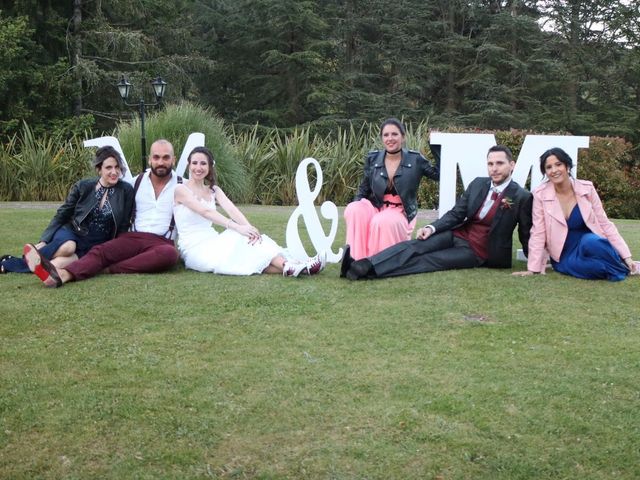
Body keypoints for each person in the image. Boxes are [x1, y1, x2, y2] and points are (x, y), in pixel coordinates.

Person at [341, 145, 532, 280]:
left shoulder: (521, 196)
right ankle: (364, 263)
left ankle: (370, 272)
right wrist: (432, 227)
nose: (494, 169)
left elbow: (526, 234)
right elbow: (457, 213)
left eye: (500, 163)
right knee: (415, 246)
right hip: (457, 234)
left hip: (478, 252)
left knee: (429, 260)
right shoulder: (478, 184)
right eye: (491, 164)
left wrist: (535, 263)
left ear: (512, 165)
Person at [25, 139, 182, 287]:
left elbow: (201, 200)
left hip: (162, 241)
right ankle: (64, 275)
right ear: (149, 160)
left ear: (173, 160)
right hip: (133, 237)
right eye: (156, 157)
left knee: (170, 255)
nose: (161, 162)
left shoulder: (183, 185)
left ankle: (108, 269)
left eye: (166, 157)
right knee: (101, 251)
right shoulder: (136, 182)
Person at [173, 147, 326, 276]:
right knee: (238, 239)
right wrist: (238, 228)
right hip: (195, 249)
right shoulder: (181, 190)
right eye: (194, 163)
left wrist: (249, 228)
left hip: (212, 239)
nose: (198, 168)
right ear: (188, 165)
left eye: (203, 163)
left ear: (209, 167)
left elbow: (232, 209)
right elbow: (206, 212)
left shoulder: (213, 190)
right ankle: (294, 265)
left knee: (250, 251)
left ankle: (293, 267)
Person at [1, 146, 134, 274]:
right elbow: (63, 214)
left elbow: (123, 226)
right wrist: (44, 241)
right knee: (68, 247)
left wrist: (116, 251)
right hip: (72, 232)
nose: (114, 172)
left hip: (95, 244)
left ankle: (9, 263)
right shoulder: (83, 187)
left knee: (54, 266)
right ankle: (22, 259)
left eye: (117, 167)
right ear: (99, 169)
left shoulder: (126, 190)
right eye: (109, 167)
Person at [513, 147, 639, 280]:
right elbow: (538, 231)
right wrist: (533, 268)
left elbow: (605, 224)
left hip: (588, 242)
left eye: (558, 164)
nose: (554, 170)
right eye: (549, 167)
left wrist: (627, 257)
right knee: (598, 269)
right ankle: (624, 268)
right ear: (545, 172)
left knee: (592, 242)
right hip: (563, 254)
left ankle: (626, 263)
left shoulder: (587, 188)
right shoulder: (540, 194)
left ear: (567, 166)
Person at [343, 118, 439, 260]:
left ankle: (378, 262)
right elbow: (364, 187)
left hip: (400, 210)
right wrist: (356, 203)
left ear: (403, 137)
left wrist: (435, 146)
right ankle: (354, 258)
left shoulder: (415, 159)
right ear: (382, 138)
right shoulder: (373, 158)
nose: (390, 138)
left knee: (382, 221)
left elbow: (438, 174)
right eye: (386, 135)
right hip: (376, 206)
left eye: (394, 134)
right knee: (353, 209)